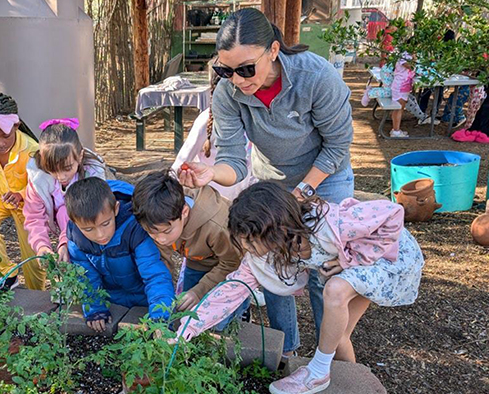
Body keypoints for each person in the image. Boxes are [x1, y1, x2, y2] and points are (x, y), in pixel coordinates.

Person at [178, 7, 355, 361]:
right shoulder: (228, 94)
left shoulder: (315, 77)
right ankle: (285, 350)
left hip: (325, 180)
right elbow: (232, 161)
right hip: (271, 183)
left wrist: (300, 196)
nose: (239, 80)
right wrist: (211, 174)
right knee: (269, 262)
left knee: (324, 272)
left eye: (247, 69)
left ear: (273, 50)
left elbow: (337, 145)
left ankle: (327, 358)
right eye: (226, 70)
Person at [179, 183, 424, 394]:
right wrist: (186, 331)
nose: (247, 249)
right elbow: (230, 291)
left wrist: (354, 259)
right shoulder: (269, 253)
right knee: (338, 335)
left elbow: (393, 214)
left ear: (276, 229)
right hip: (359, 267)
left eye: (251, 242)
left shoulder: (328, 225)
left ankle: (318, 372)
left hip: (391, 257)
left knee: (335, 289)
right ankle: (355, 391)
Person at [131, 170, 248, 329]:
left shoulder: (218, 227)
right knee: (186, 313)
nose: (161, 239)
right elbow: (164, 262)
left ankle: (241, 307)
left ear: (184, 212)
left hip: (231, 265)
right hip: (197, 260)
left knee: (217, 323)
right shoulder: (158, 218)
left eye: (166, 232)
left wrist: (199, 291)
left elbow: (231, 263)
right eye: (152, 233)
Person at [66, 177, 175, 333]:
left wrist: (161, 318)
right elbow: (86, 277)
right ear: (74, 222)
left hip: (144, 298)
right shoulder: (76, 237)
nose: (100, 235)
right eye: (89, 229)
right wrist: (95, 309)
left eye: (106, 224)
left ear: (116, 209)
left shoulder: (134, 228)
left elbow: (155, 275)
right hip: (112, 301)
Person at [0, 92, 44, 290]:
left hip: (29, 204)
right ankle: (6, 274)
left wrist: (20, 194)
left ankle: (36, 295)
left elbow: (40, 185)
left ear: (16, 126)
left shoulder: (32, 149)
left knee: (33, 261)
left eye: (5, 136)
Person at [23, 118, 107, 263]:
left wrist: (65, 241)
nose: (61, 177)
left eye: (67, 169)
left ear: (80, 156)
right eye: (52, 170)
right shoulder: (38, 179)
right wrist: (41, 245)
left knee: (64, 210)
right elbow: (34, 217)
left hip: (92, 231)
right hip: (64, 228)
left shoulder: (92, 174)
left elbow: (81, 212)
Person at [170, 62, 257, 200]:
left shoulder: (253, 118)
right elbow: (180, 164)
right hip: (212, 202)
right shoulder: (206, 119)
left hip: (242, 198)